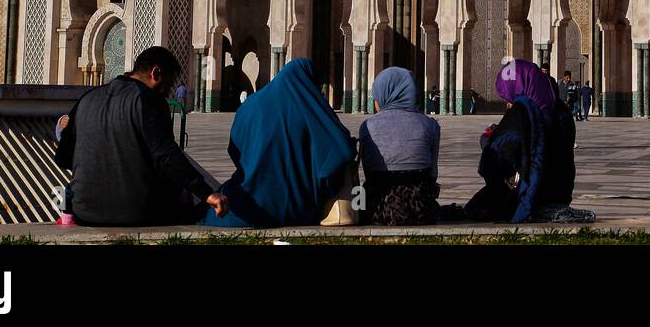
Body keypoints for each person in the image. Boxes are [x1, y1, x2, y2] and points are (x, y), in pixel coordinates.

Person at [55, 46, 227, 227]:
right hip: (139, 213)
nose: (167, 93)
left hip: (86, 213)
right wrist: (207, 193)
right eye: (167, 85)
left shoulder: (86, 99)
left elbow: (63, 158)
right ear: (156, 72)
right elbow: (166, 155)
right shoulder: (149, 99)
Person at [203, 58, 355, 227]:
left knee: (209, 209)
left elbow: (234, 150)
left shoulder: (250, 105)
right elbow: (341, 149)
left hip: (251, 201)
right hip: (299, 205)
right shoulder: (310, 108)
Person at [463, 59, 593, 224]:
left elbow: (502, 155)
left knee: (484, 202)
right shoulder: (560, 110)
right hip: (560, 193)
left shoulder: (521, 111)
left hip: (530, 193)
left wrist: (487, 140)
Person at [358, 67, 441, 226]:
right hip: (420, 209)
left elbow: (368, 172)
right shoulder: (430, 125)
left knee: (360, 191)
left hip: (376, 209)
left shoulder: (367, 126)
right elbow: (432, 174)